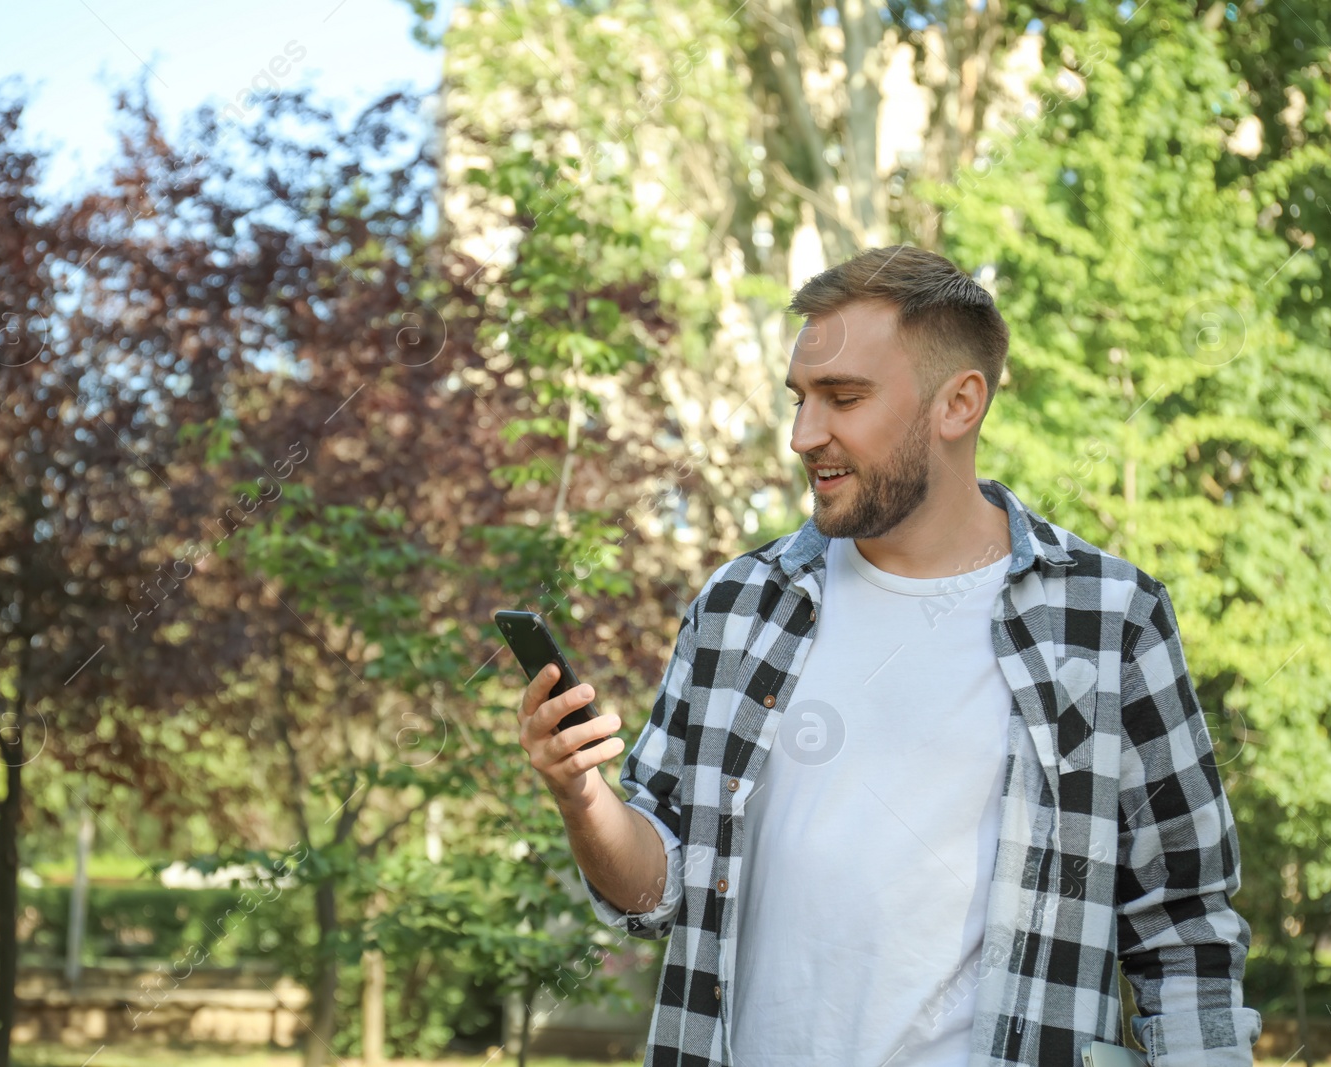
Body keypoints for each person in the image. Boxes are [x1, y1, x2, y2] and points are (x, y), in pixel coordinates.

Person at [516, 245, 1261, 1067]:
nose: (804, 434)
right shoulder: (738, 607)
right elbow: (656, 894)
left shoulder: (1107, 618)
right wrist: (583, 795)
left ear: (959, 404)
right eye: (800, 399)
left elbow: (1184, 929)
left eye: (844, 398)